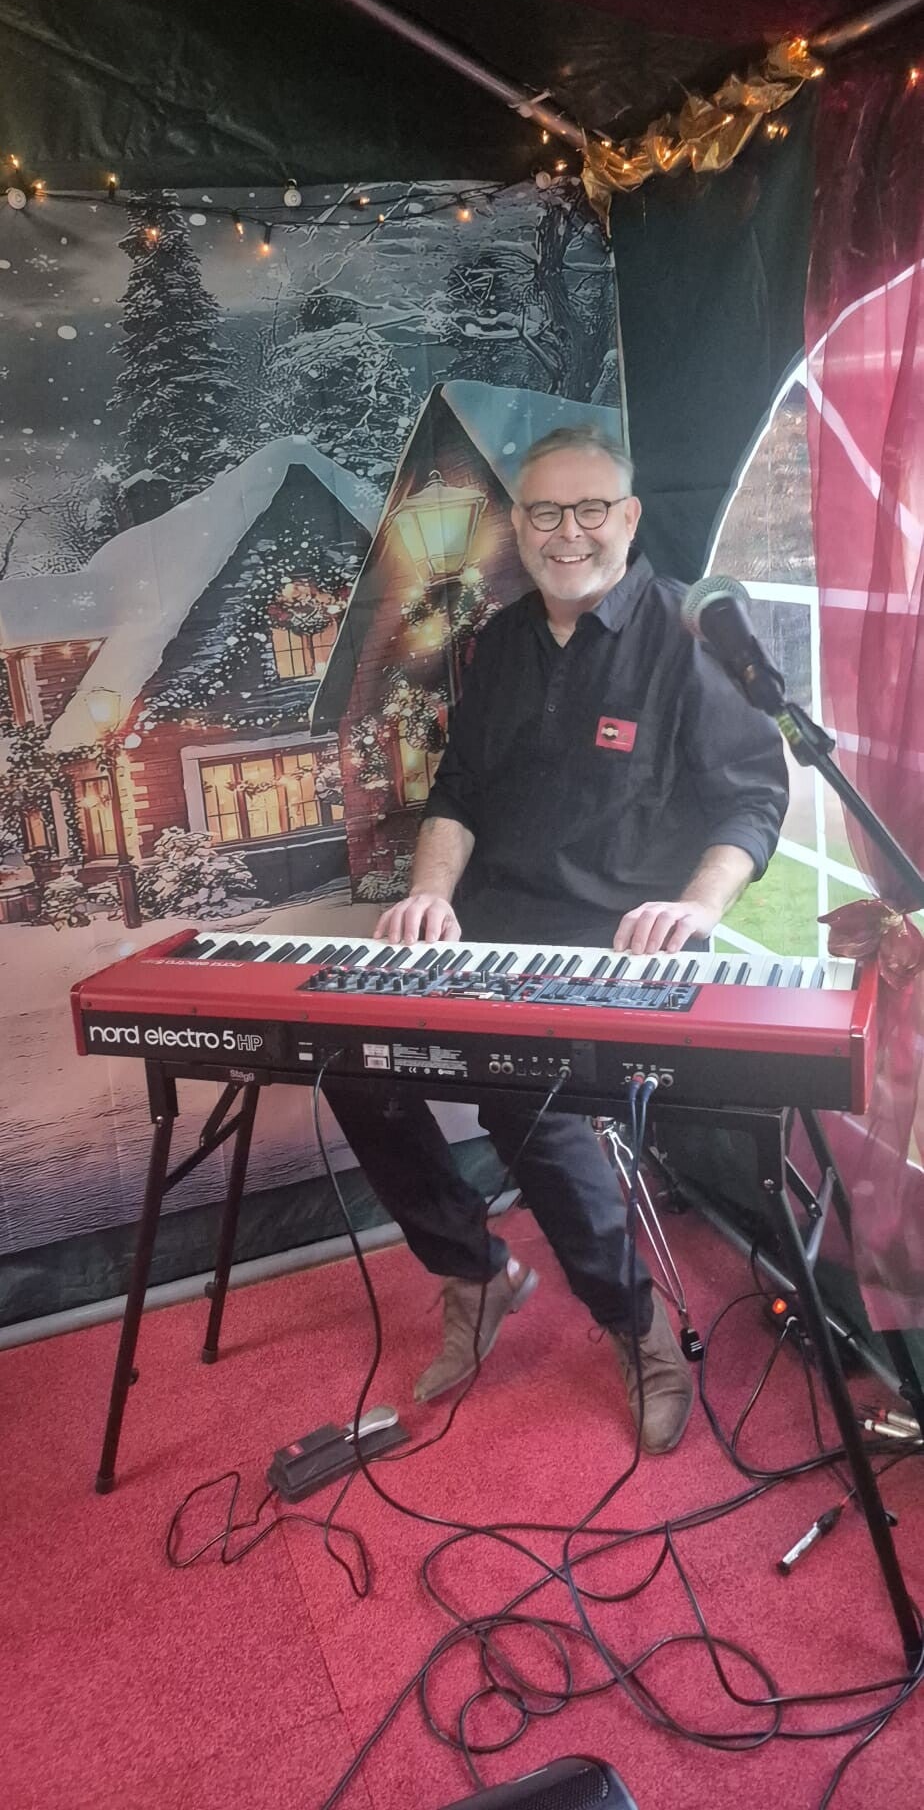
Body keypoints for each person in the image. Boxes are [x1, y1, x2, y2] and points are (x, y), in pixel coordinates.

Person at [322, 426, 788, 1453]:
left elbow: (753, 800)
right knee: (350, 1060)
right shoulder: (499, 645)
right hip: (493, 936)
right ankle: (475, 1271)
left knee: (516, 1089)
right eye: (543, 511)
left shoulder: (687, 639)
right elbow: (458, 793)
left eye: (589, 509)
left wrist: (700, 907)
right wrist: (430, 895)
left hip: (616, 949)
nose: (565, 532)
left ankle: (637, 1326)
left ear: (628, 517)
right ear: (519, 524)